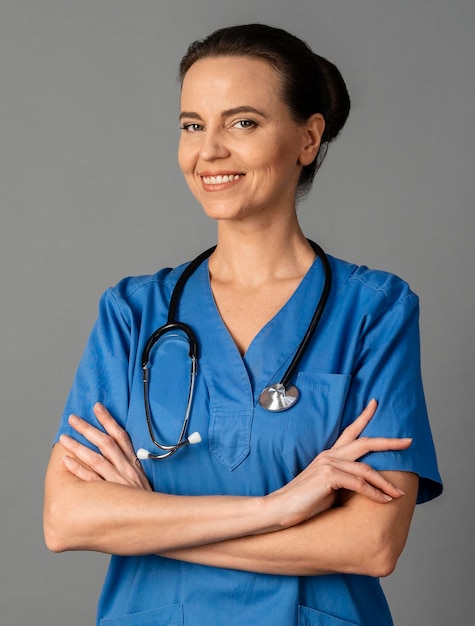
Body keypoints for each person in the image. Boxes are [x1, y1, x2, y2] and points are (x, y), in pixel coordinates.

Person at [44, 23, 442, 626]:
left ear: (308, 138)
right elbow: (67, 519)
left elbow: (371, 544)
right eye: (192, 125)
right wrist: (281, 509)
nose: (209, 151)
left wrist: (146, 520)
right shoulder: (133, 312)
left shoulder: (374, 311)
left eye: (243, 123)